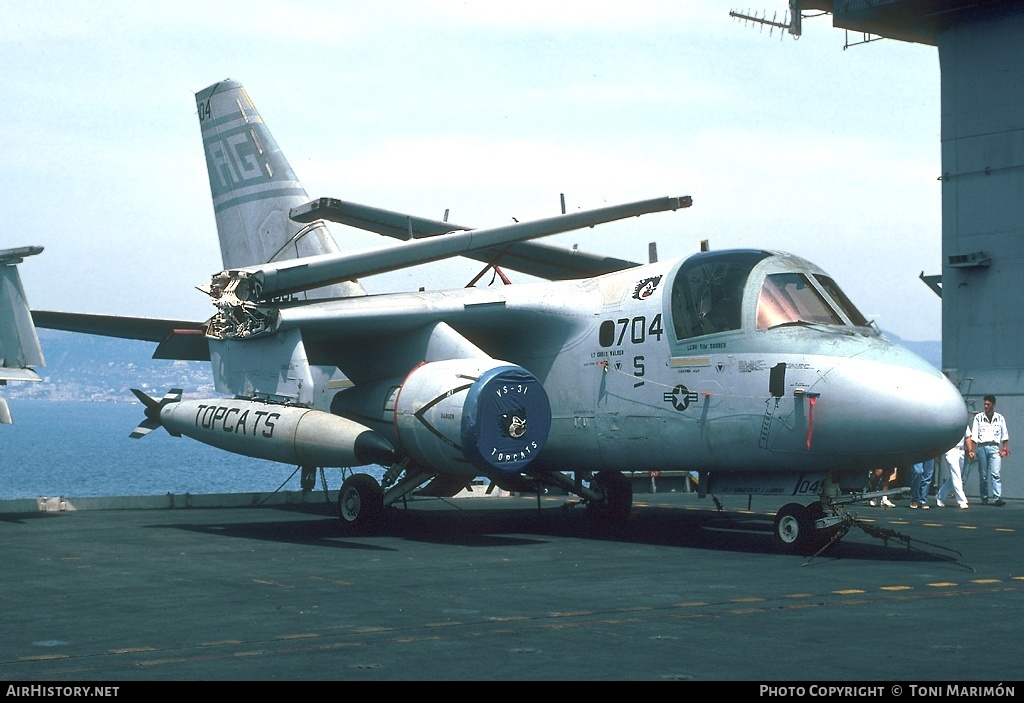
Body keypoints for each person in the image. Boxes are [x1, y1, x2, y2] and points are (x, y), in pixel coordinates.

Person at [966, 395, 1010, 507]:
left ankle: (997, 497)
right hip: (981, 447)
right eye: (985, 404)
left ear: (993, 405)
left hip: (994, 447)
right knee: (983, 475)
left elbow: (1004, 435)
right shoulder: (978, 418)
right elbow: (974, 435)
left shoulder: (1000, 418)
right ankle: (984, 497)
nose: (986, 406)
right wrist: (972, 450)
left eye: (988, 404)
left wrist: (1004, 449)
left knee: (995, 473)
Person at [936, 427, 970, 509]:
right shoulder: (948, 424)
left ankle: (940, 496)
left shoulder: (964, 424)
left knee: (955, 476)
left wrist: (970, 450)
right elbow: (941, 438)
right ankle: (961, 500)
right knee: (956, 475)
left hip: (961, 451)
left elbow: (968, 437)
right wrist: (938, 452)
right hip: (950, 450)